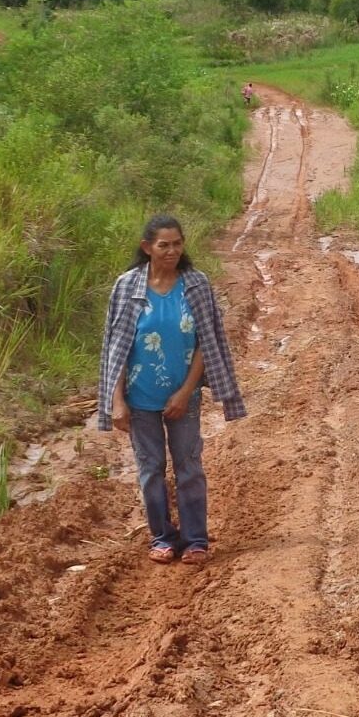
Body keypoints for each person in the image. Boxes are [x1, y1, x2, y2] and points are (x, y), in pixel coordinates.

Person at [98, 215, 246, 565]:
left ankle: (196, 540)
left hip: (184, 397)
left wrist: (185, 392)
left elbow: (205, 344)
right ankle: (162, 537)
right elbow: (115, 348)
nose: (172, 251)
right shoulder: (126, 286)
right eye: (163, 245)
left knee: (189, 467)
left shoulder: (195, 285)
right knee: (150, 469)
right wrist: (117, 401)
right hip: (139, 399)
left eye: (177, 243)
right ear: (147, 247)